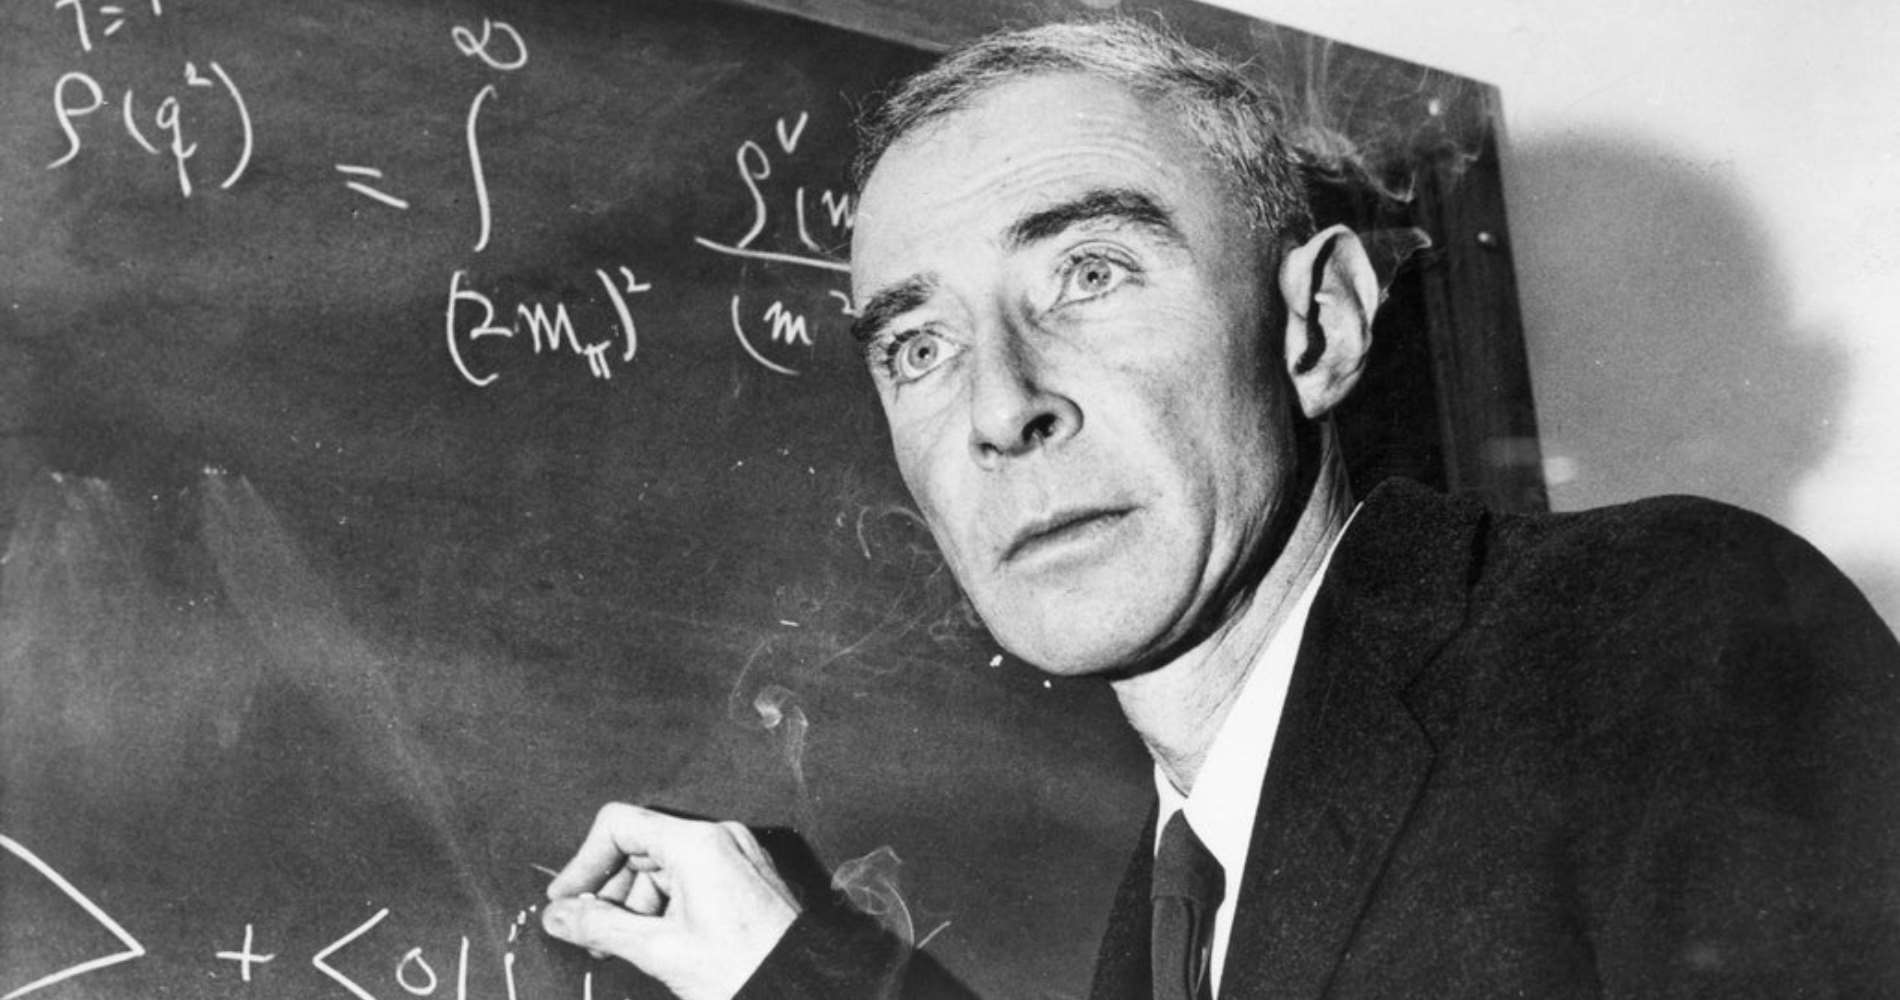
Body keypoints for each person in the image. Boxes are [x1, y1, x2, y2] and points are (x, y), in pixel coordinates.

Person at [538, 19, 1900, 1000]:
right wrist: (786, 966)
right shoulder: (1174, 895)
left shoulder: (1665, 635)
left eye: (1088, 273)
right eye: (918, 344)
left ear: (1321, 325)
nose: (1000, 406)